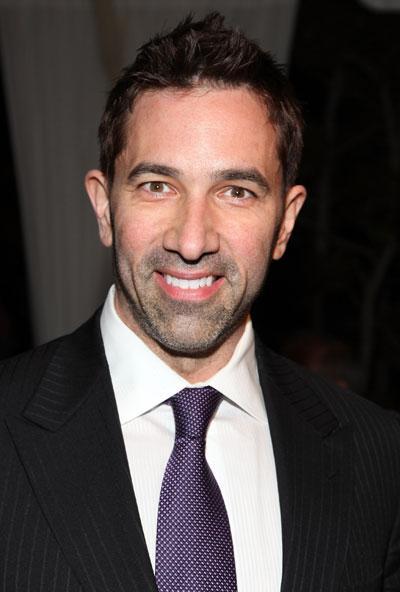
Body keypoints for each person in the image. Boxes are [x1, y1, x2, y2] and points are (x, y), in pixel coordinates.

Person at [1, 12, 399, 592]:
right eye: (157, 186)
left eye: (236, 192)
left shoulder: (379, 457)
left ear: (286, 222)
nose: (191, 241)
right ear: (104, 208)